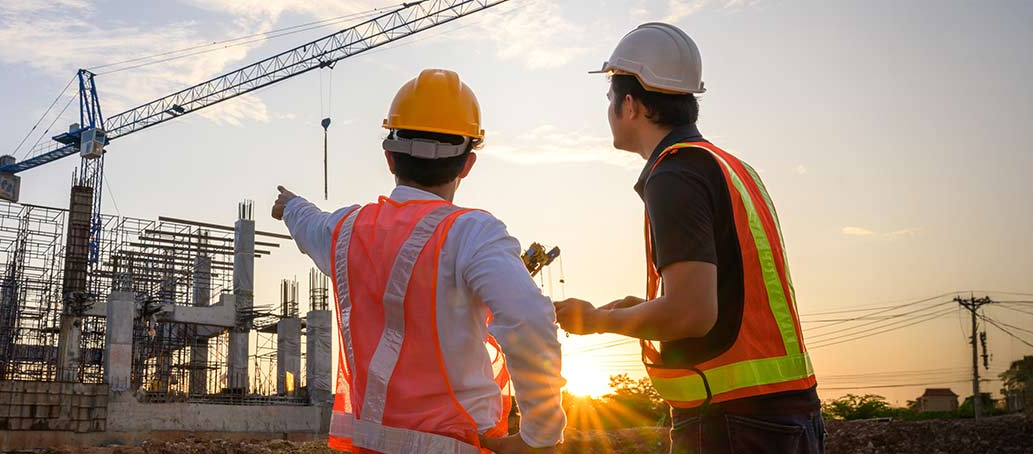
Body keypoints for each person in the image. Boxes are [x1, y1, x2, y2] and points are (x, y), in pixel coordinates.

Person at [555, 22, 825, 453]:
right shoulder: (731, 167)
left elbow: (692, 314)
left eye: (610, 98)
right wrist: (643, 311)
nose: (608, 110)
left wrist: (596, 321)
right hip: (785, 415)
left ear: (631, 104)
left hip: (734, 422)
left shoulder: (675, 175)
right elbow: (729, 296)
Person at [271, 68, 566, 453]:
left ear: (390, 158)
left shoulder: (346, 231)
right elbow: (529, 319)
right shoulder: (472, 233)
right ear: (467, 164)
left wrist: (290, 205)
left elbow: (310, 223)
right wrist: (540, 436)